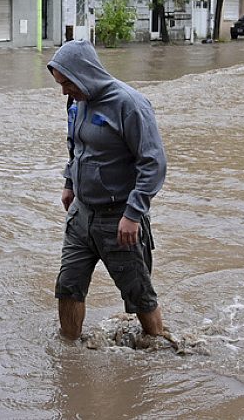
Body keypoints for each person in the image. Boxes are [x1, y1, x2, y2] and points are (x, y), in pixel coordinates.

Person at [47, 39, 167, 342]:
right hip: (81, 215)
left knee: (139, 293)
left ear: (85, 73)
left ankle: (159, 347)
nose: (64, 91)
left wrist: (133, 214)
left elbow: (153, 164)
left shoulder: (130, 104)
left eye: (67, 83)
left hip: (119, 220)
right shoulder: (77, 101)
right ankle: (69, 352)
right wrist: (69, 183)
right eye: (61, 84)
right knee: (68, 285)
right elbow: (75, 147)